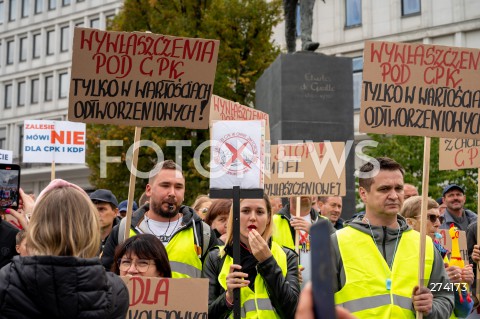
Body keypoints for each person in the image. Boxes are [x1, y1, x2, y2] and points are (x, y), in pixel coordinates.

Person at [332, 157, 454, 318]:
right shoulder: (337, 242)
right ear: (363, 193)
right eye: (384, 189)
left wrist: (431, 308)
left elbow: (445, 296)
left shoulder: (425, 244)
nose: (394, 195)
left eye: (399, 188)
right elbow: (317, 304)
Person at [0, 179, 128, 318]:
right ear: (91, 228)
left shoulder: (7, 280)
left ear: (37, 228)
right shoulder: (115, 290)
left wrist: (32, 220)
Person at [101, 160, 217, 278]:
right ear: (149, 190)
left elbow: (215, 286)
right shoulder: (124, 229)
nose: (172, 193)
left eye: (178, 187)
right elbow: (105, 280)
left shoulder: (202, 233)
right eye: (165, 185)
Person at [203, 194, 300, 318]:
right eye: (245, 211)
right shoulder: (215, 258)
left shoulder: (287, 256)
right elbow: (205, 315)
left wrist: (268, 262)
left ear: (269, 218)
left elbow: (293, 312)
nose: (253, 218)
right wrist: (228, 297)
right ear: (235, 217)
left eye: (260, 212)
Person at [401, 196, 474, 318]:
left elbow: (463, 311)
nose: (438, 223)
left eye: (439, 218)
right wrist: (442, 281)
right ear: (410, 222)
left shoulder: (441, 252)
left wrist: (463, 284)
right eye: (432, 218)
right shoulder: (399, 253)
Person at [273, 196, 335, 286]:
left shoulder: (324, 222)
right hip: (286, 292)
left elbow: (339, 250)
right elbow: (266, 259)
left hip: (319, 292)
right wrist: (288, 271)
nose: (305, 191)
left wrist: (316, 232)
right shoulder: (273, 222)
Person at [90, 189, 121, 255]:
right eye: (93, 209)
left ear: (115, 212)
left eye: (101, 209)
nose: (96, 214)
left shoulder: (124, 236)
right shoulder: (81, 238)